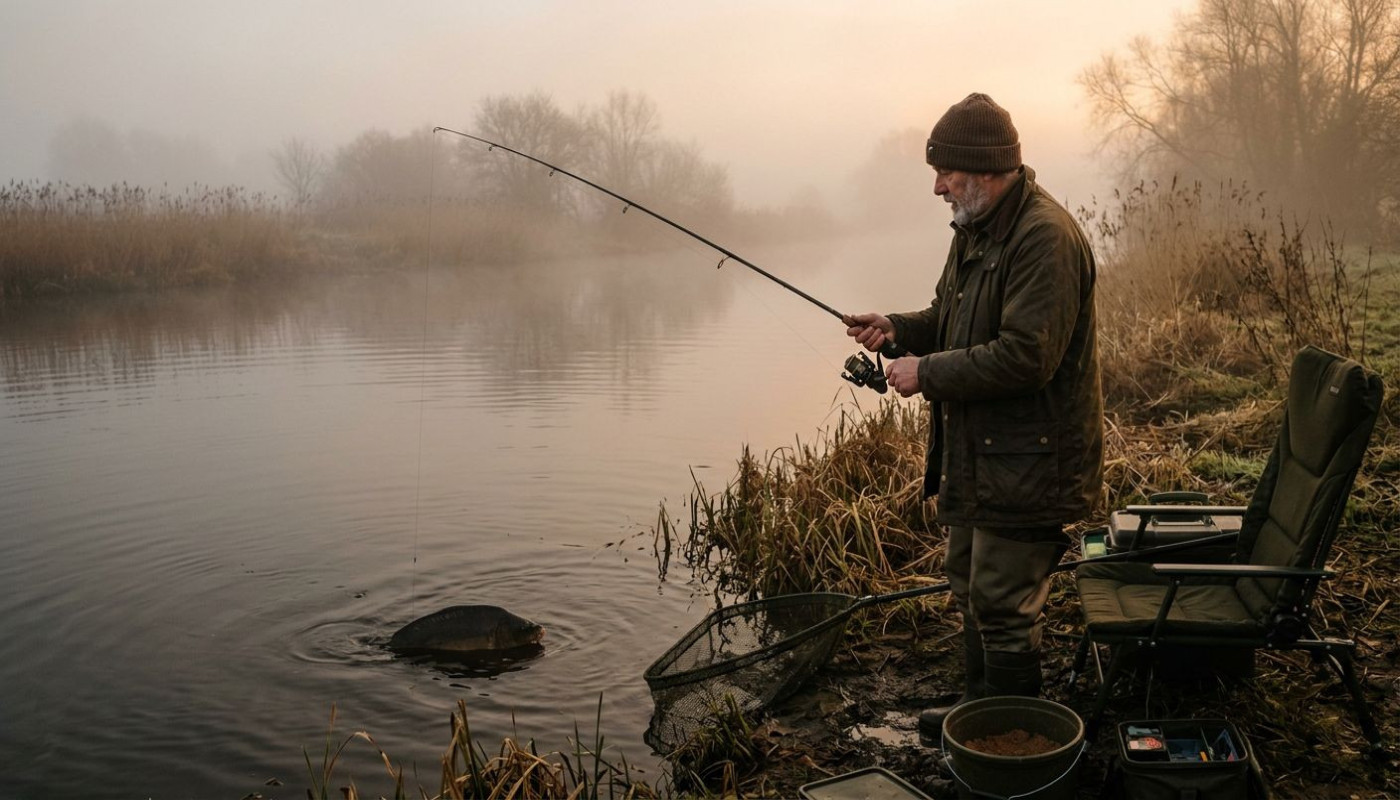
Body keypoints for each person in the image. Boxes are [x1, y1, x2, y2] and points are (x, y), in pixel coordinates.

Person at [843, 92, 1103, 739]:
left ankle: (1012, 737)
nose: (937, 187)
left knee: (1004, 603)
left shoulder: (1044, 238)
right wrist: (897, 329)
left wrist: (925, 373)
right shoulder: (975, 229)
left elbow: (1027, 357)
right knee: (968, 585)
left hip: (1032, 461)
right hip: (982, 456)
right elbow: (948, 319)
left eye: (946, 173)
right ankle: (979, 713)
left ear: (986, 170)